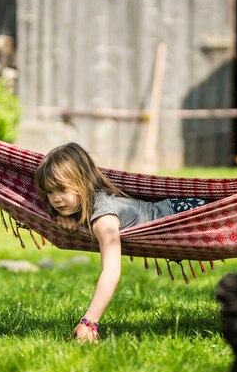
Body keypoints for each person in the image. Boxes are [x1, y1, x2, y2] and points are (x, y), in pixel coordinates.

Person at [34, 142, 208, 342]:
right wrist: (65, 217)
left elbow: (111, 271)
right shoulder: (88, 203)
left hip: (192, 216)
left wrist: (89, 321)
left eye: (62, 189)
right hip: (181, 209)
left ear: (82, 181)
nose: (55, 199)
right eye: (49, 192)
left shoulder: (103, 218)